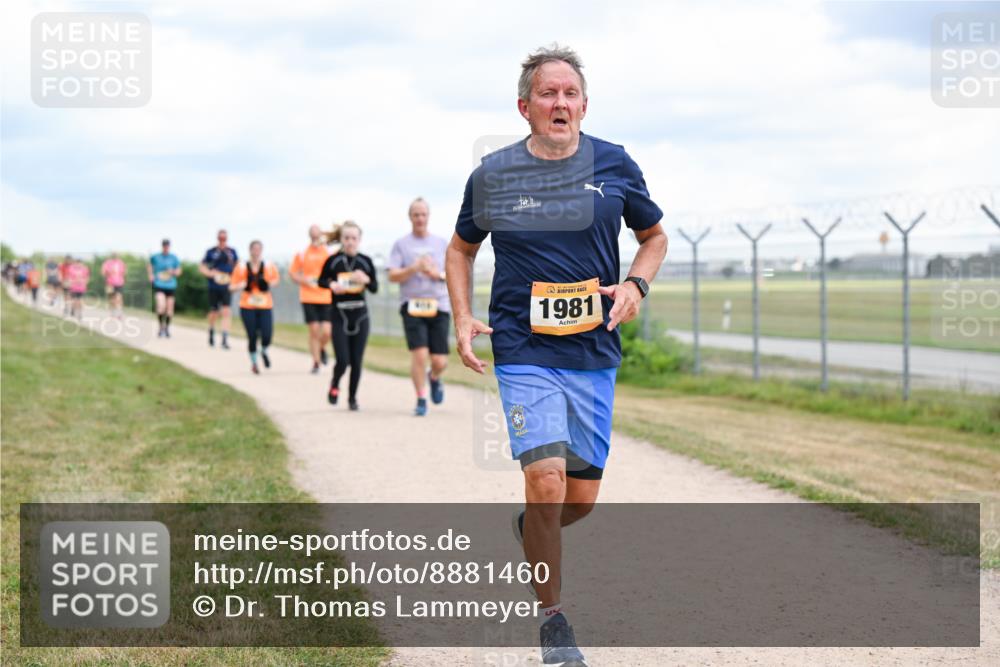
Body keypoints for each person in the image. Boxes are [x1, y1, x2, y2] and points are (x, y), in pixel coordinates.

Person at [446, 45, 668, 666]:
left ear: (584, 105)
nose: (561, 103)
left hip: (595, 351)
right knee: (544, 481)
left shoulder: (616, 164)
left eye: (571, 93)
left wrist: (635, 284)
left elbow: (653, 238)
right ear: (525, 107)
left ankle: (531, 531)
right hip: (523, 346)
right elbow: (460, 250)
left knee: (579, 500)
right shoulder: (493, 174)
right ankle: (554, 622)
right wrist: (464, 316)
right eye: (548, 93)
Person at [387, 198, 450, 416]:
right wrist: (413, 268)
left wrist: (437, 274)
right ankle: (421, 398)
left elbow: (454, 273)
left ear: (428, 216)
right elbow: (392, 275)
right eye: (416, 214)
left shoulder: (442, 243)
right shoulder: (401, 244)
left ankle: (434, 377)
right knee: (420, 355)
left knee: (439, 361)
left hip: (439, 305)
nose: (420, 218)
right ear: (410, 217)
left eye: (423, 214)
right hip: (412, 306)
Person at [317, 222, 378, 410]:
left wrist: (366, 279)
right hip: (339, 313)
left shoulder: (365, 261)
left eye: (354, 238)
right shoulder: (333, 261)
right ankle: (335, 384)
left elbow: (375, 288)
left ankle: (352, 399)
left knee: (357, 361)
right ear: (341, 239)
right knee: (343, 360)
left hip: (360, 314)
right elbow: (321, 280)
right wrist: (332, 285)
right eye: (346, 238)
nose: (350, 242)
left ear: (359, 240)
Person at [229, 240, 280, 374]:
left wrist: (268, 283)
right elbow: (231, 286)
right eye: (254, 249)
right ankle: (254, 363)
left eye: (259, 249)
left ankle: (264, 350)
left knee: (267, 334)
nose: (256, 252)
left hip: (265, 305)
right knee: (252, 335)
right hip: (247, 305)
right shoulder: (241, 267)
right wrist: (240, 285)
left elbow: (276, 280)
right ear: (250, 250)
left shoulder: (269, 265)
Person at [290, 225, 334, 373]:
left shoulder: (328, 252)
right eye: (313, 236)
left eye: (318, 236)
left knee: (327, 332)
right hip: (308, 296)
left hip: (326, 296)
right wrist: (304, 280)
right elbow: (293, 273)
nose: (316, 238)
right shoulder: (302, 253)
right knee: (314, 330)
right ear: (310, 236)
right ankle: (316, 362)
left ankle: (321, 348)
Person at [200, 229, 238, 349]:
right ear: (217, 238)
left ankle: (225, 338)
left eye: (224, 238)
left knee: (226, 311)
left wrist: (234, 281)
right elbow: (202, 266)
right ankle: (211, 329)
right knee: (214, 311)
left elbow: (237, 267)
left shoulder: (232, 252)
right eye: (220, 238)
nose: (222, 240)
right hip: (214, 286)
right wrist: (209, 273)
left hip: (226, 285)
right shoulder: (211, 252)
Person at [148, 239, 181, 338]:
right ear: (162, 246)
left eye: (167, 246)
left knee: (170, 309)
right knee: (161, 306)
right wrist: (151, 275)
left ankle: (166, 327)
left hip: (171, 285)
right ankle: (160, 326)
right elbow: (150, 265)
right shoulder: (156, 257)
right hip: (159, 284)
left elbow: (179, 271)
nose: (166, 247)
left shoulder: (174, 257)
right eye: (164, 245)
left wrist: (174, 272)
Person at [101, 252, 127, 318]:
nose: (115, 256)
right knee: (111, 298)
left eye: (116, 255)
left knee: (119, 297)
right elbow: (103, 272)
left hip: (119, 283)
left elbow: (124, 272)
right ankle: (112, 312)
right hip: (109, 283)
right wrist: (108, 273)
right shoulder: (107, 263)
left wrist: (121, 277)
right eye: (114, 255)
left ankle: (119, 312)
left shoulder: (121, 263)